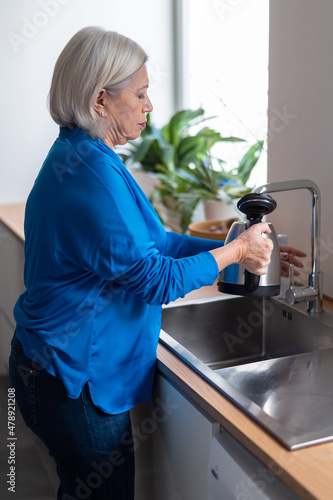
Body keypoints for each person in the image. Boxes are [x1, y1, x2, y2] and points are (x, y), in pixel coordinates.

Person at [9, 26, 304, 500]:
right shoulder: (90, 177)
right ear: (99, 99)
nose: (150, 106)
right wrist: (236, 253)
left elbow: (155, 241)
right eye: (141, 93)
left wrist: (237, 244)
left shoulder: (89, 155)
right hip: (72, 380)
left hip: (52, 365)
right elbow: (154, 280)